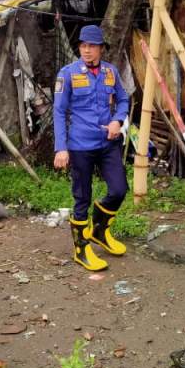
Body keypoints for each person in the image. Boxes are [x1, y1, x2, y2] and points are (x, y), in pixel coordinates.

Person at [53, 25, 130, 271]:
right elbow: (58, 111)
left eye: (92, 46)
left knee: (118, 189)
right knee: (81, 199)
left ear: (101, 48)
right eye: (83, 45)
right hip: (80, 145)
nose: (86, 50)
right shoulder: (67, 74)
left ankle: (98, 229)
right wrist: (60, 148)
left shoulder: (111, 72)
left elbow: (124, 99)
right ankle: (81, 250)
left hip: (107, 143)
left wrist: (118, 120)